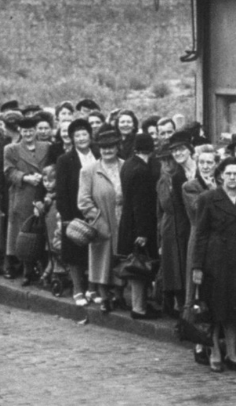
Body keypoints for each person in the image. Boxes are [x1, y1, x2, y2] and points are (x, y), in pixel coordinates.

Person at [191, 156, 236, 373]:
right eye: (228, 173)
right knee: (215, 308)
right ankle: (215, 352)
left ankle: (232, 353)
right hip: (215, 261)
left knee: (235, 308)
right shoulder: (208, 198)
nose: (232, 178)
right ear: (220, 175)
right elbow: (200, 234)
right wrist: (197, 266)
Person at [77, 126, 125, 312]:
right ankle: (104, 297)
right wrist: (98, 221)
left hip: (122, 220)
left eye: (111, 146)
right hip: (101, 221)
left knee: (121, 258)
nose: (107, 150)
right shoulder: (89, 171)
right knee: (102, 259)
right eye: (104, 147)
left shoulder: (126, 166)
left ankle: (119, 296)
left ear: (117, 146)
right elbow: (83, 201)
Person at [117, 133, 159, 319]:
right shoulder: (142, 171)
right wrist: (143, 232)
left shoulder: (127, 164)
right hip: (139, 226)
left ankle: (139, 305)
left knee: (135, 265)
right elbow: (141, 204)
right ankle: (139, 308)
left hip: (128, 223)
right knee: (140, 266)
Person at [4, 117, 49, 278]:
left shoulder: (47, 146)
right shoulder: (11, 149)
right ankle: (25, 268)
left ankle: (43, 267)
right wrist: (25, 178)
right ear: (20, 132)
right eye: (25, 131)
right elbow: (8, 171)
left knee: (44, 229)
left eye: (31, 130)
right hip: (22, 194)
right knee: (23, 230)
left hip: (43, 191)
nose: (28, 134)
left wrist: (45, 178)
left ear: (36, 131)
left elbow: (52, 167)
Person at [55, 118, 94, 306]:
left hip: (96, 211)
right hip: (73, 211)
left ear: (90, 135)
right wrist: (67, 217)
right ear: (71, 138)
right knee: (74, 252)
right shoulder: (65, 160)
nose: (81, 138)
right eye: (76, 135)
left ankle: (93, 287)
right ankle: (78, 289)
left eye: (84, 134)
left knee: (95, 250)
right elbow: (61, 191)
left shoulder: (98, 155)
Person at [157, 130, 193, 313]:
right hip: (169, 229)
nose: (167, 164)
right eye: (163, 161)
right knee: (172, 269)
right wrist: (159, 240)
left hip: (184, 227)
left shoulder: (181, 178)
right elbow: (159, 212)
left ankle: (185, 306)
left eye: (169, 159)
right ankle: (175, 303)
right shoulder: (162, 181)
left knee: (184, 267)